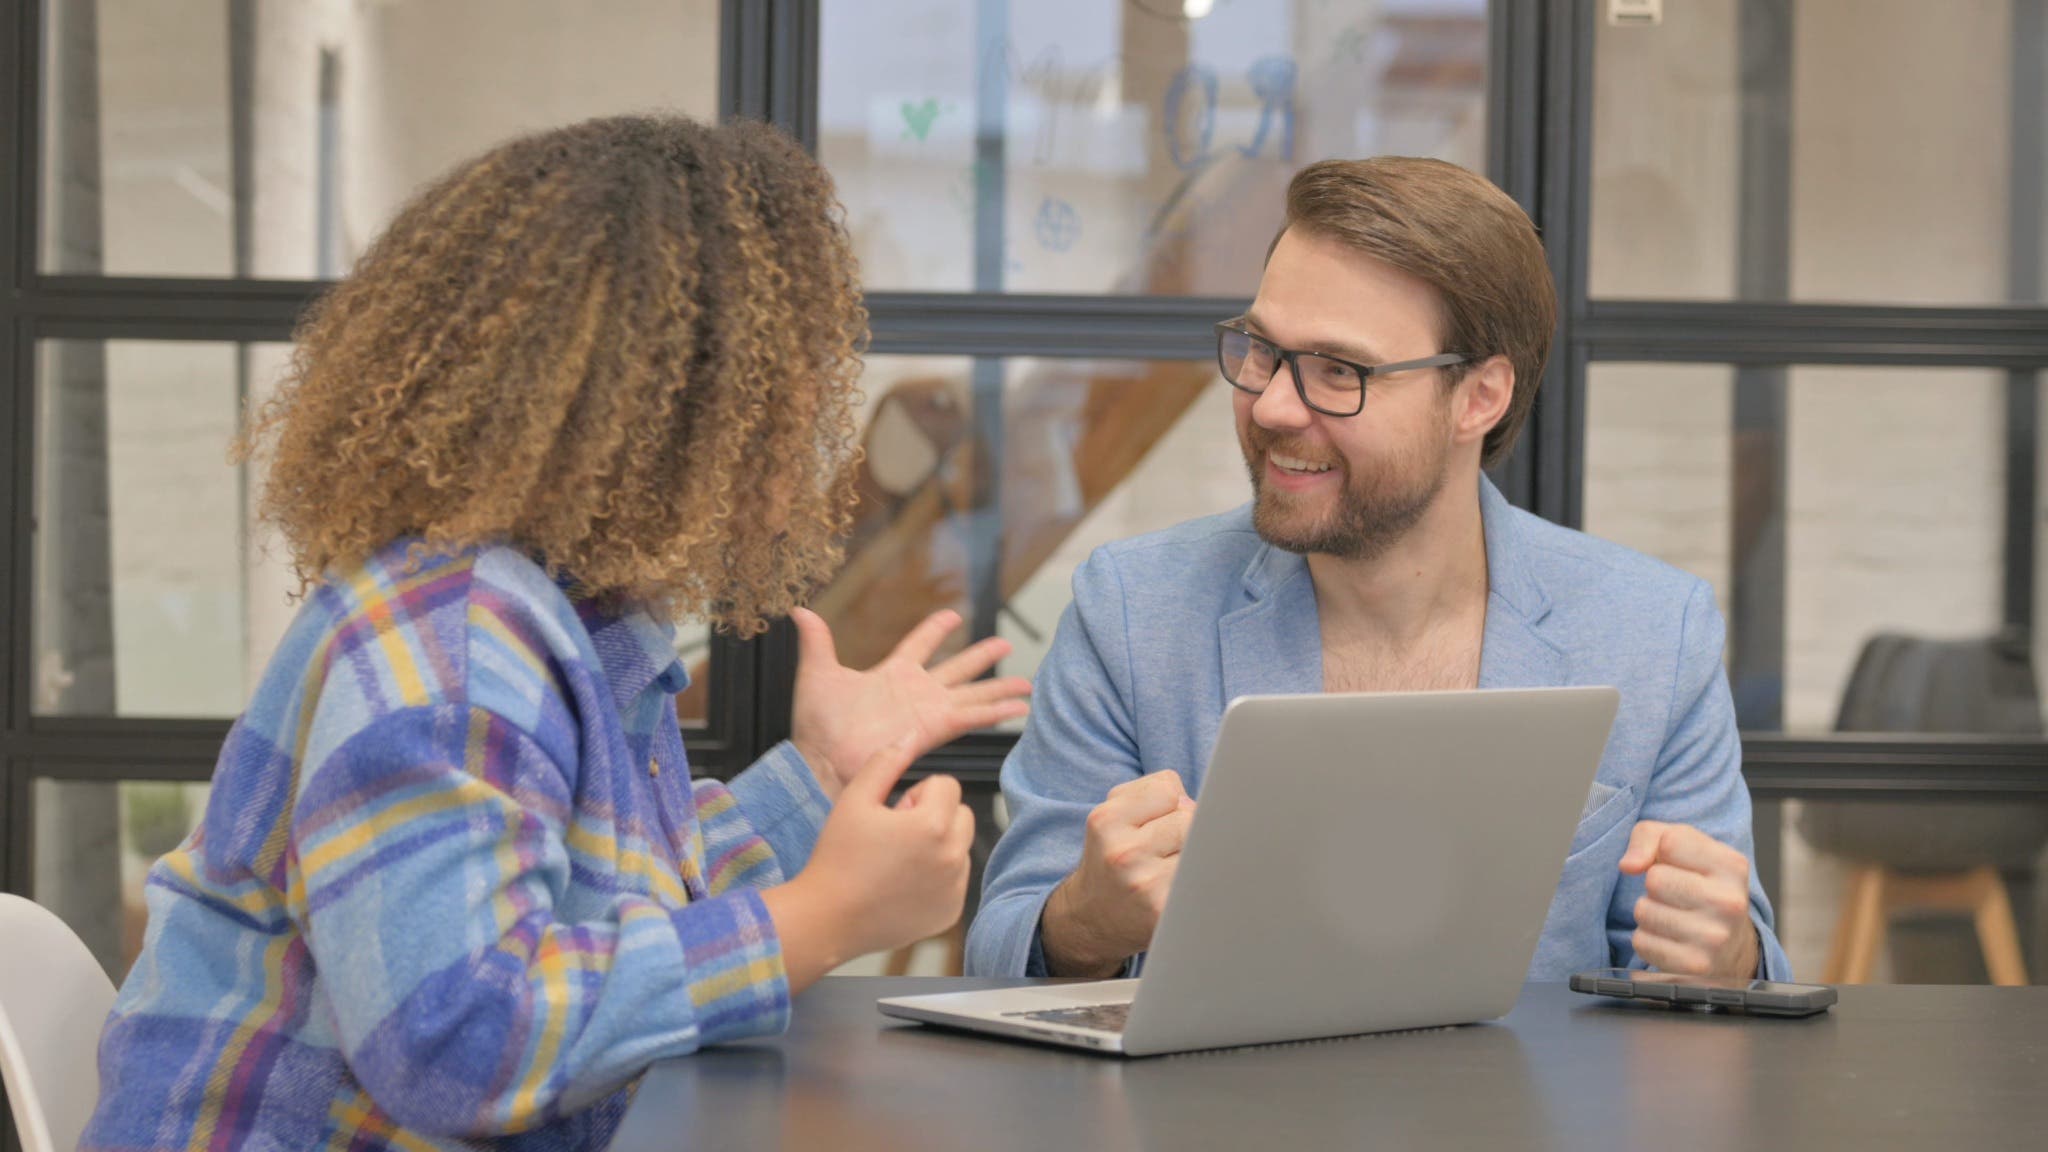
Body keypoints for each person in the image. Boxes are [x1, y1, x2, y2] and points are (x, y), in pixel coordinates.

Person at [82, 115, 1030, 1151]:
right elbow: (457, 1043)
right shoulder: (446, 641)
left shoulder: (574, 618)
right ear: (662, 410)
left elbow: (609, 913)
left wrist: (820, 774)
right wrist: (820, 919)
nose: (813, 429)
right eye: (784, 396)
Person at [967, 156, 1788, 984]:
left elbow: (1734, 974)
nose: (1273, 405)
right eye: (1262, 350)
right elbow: (1001, 949)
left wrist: (1728, 956)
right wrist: (1086, 921)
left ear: (1479, 398)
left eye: (1339, 372)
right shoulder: (1129, 612)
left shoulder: (1655, 634)